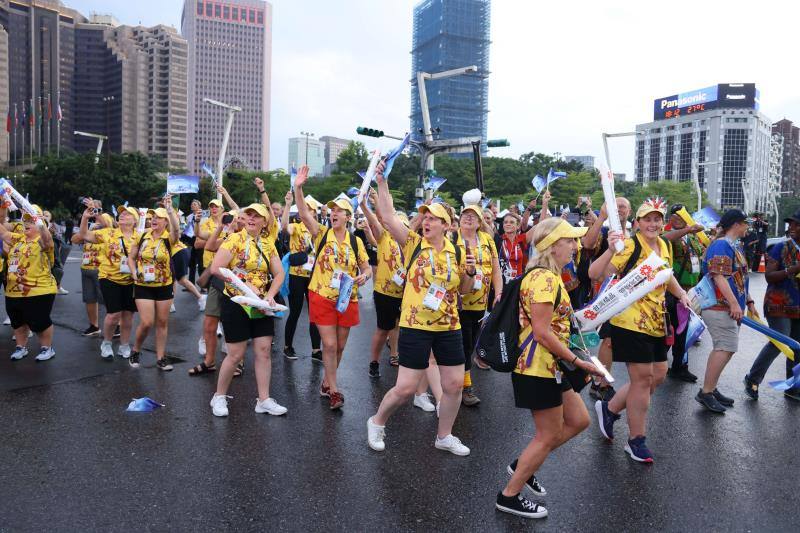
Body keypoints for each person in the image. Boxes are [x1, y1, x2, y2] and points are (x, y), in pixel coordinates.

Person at [367, 162, 475, 455]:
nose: (426, 222)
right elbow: (388, 216)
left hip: (449, 325)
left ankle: (444, 436)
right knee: (405, 388)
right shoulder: (413, 243)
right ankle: (377, 421)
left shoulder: (457, 251)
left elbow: (464, 291)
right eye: (425, 217)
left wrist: (470, 273)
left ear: (447, 225)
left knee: (454, 385)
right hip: (415, 325)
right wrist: (382, 182)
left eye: (433, 218)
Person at [496, 217, 601, 519]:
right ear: (552, 246)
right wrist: (578, 361)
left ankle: (524, 464)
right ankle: (509, 496)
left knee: (579, 420)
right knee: (548, 434)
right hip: (536, 367)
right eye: (569, 240)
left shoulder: (550, 276)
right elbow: (542, 333)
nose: (575, 246)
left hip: (549, 366)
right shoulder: (544, 279)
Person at [588, 198, 691, 463]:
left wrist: (681, 294)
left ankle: (610, 410)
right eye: (648, 219)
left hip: (657, 322)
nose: (653, 224)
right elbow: (595, 274)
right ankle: (636, 440)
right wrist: (610, 249)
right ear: (638, 223)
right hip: (629, 322)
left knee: (657, 376)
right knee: (643, 379)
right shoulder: (630, 246)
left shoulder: (665, 245)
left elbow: (667, 275)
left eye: (657, 219)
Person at [294, 165, 371, 410]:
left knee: (339, 346)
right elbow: (304, 214)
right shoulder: (321, 233)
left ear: (348, 217)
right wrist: (298, 188)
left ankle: (327, 383)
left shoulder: (356, 242)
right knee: (328, 345)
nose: (334, 213)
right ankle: (335, 391)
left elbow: (366, 267)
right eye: (332, 210)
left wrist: (364, 276)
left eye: (339, 211)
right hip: (321, 294)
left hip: (347, 297)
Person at [209, 205, 287, 417]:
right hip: (237, 302)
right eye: (249, 215)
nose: (252, 219)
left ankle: (264, 400)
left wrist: (270, 295)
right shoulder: (234, 239)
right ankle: (219, 396)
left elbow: (279, 274)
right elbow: (216, 268)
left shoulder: (268, 243)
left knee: (264, 350)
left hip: (260, 304)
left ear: (265, 221)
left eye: (257, 216)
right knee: (235, 354)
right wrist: (242, 283)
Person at [696, 209, 754, 413]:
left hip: (728, 307)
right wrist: (734, 303)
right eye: (745, 223)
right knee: (724, 348)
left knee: (726, 348)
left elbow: (739, 277)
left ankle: (711, 389)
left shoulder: (732, 245)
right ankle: (706, 392)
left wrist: (748, 301)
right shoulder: (722, 244)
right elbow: (718, 276)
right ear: (736, 224)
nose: (748, 227)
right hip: (719, 306)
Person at [744, 209, 800, 401]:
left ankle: (793, 386)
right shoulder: (781, 247)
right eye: (791, 223)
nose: (792, 227)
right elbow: (769, 276)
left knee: (798, 347)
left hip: (798, 306)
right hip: (778, 304)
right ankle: (752, 379)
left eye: (797, 224)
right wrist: (792, 270)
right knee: (780, 342)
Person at [455, 201, 502, 406]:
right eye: (465, 214)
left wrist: (499, 292)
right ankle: (465, 386)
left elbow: (496, 269)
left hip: (480, 303)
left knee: (471, 343)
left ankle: (456, 381)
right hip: (457, 302)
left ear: (480, 221)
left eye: (473, 215)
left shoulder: (487, 240)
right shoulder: (451, 238)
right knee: (465, 345)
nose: (468, 217)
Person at [79, 203, 141, 359]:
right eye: (121, 213)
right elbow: (84, 235)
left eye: (127, 213)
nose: (123, 215)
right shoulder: (109, 233)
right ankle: (106, 343)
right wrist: (85, 218)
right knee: (114, 314)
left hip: (132, 280)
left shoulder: (140, 237)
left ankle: (124, 345)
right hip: (109, 277)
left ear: (135, 220)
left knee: (128, 315)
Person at [127, 198, 180, 370]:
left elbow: (177, 230)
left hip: (164, 285)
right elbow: (131, 258)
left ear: (166, 222)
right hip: (143, 285)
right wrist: (134, 272)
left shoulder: (168, 238)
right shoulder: (142, 235)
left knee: (162, 322)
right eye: (152, 217)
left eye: (158, 217)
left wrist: (170, 210)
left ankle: (160, 358)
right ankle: (136, 350)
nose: (154, 220)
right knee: (147, 322)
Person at [588, 196, 632, 402]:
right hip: (607, 293)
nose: (620, 209)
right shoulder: (605, 231)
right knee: (609, 341)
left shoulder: (633, 236)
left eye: (624, 207)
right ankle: (600, 383)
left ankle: (601, 381)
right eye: (617, 206)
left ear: (630, 212)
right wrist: (601, 218)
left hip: (629, 294)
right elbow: (588, 244)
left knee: (615, 340)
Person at [0, 204, 58, 361]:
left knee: (40, 321)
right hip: (13, 290)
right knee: (18, 321)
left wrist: (40, 223)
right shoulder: (19, 239)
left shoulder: (42, 240)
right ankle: (21, 347)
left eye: (31, 221)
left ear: (40, 224)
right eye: (25, 221)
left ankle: (47, 348)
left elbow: (47, 241)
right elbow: (3, 232)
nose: (27, 224)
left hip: (39, 290)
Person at [359, 190, 406, 378]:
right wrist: (365, 204)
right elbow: (376, 218)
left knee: (397, 326)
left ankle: (394, 354)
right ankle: (374, 361)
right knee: (383, 329)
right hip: (384, 292)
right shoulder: (384, 237)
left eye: (404, 225)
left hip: (405, 292)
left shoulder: (410, 242)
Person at [662, 204, 707, 382]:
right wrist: (688, 229)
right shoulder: (668, 234)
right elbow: (664, 239)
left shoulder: (693, 237)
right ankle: (657, 363)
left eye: (683, 215)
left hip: (690, 290)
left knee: (684, 330)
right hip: (674, 290)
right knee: (671, 329)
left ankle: (679, 366)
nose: (679, 218)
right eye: (676, 215)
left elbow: (703, 252)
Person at [280, 189, 321, 361]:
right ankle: (287, 346)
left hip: (314, 276)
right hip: (296, 275)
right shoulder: (296, 227)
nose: (307, 211)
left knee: (315, 313)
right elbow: (284, 227)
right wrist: (288, 205)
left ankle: (316, 350)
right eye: (305, 208)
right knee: (295, 312)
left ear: (314, 213)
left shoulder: (319, 230)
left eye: (310, 209)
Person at [71, 207, 112, 337]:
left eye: (101, 220)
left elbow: (107, 226)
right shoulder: (90, 233)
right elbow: (74, 239)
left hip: (102, 270)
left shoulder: (110, 234)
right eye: (97, 220)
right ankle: (94, 326)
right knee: (89, 299)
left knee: (107, 299)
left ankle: (116, 325)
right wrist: (89, 229)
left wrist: (102, 225)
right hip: (86, 268)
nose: (98, 222)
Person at [181, 199, 203, 284]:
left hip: (200, 238)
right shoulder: (189, 217)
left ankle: (202, 284)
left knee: (200, 262)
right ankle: (191, 283)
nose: (192, 205)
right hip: (191, 239)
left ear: (199, 206)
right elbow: (186, 228)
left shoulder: (203, 216)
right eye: (192, 204)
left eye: (194, 204)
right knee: (191, 262)